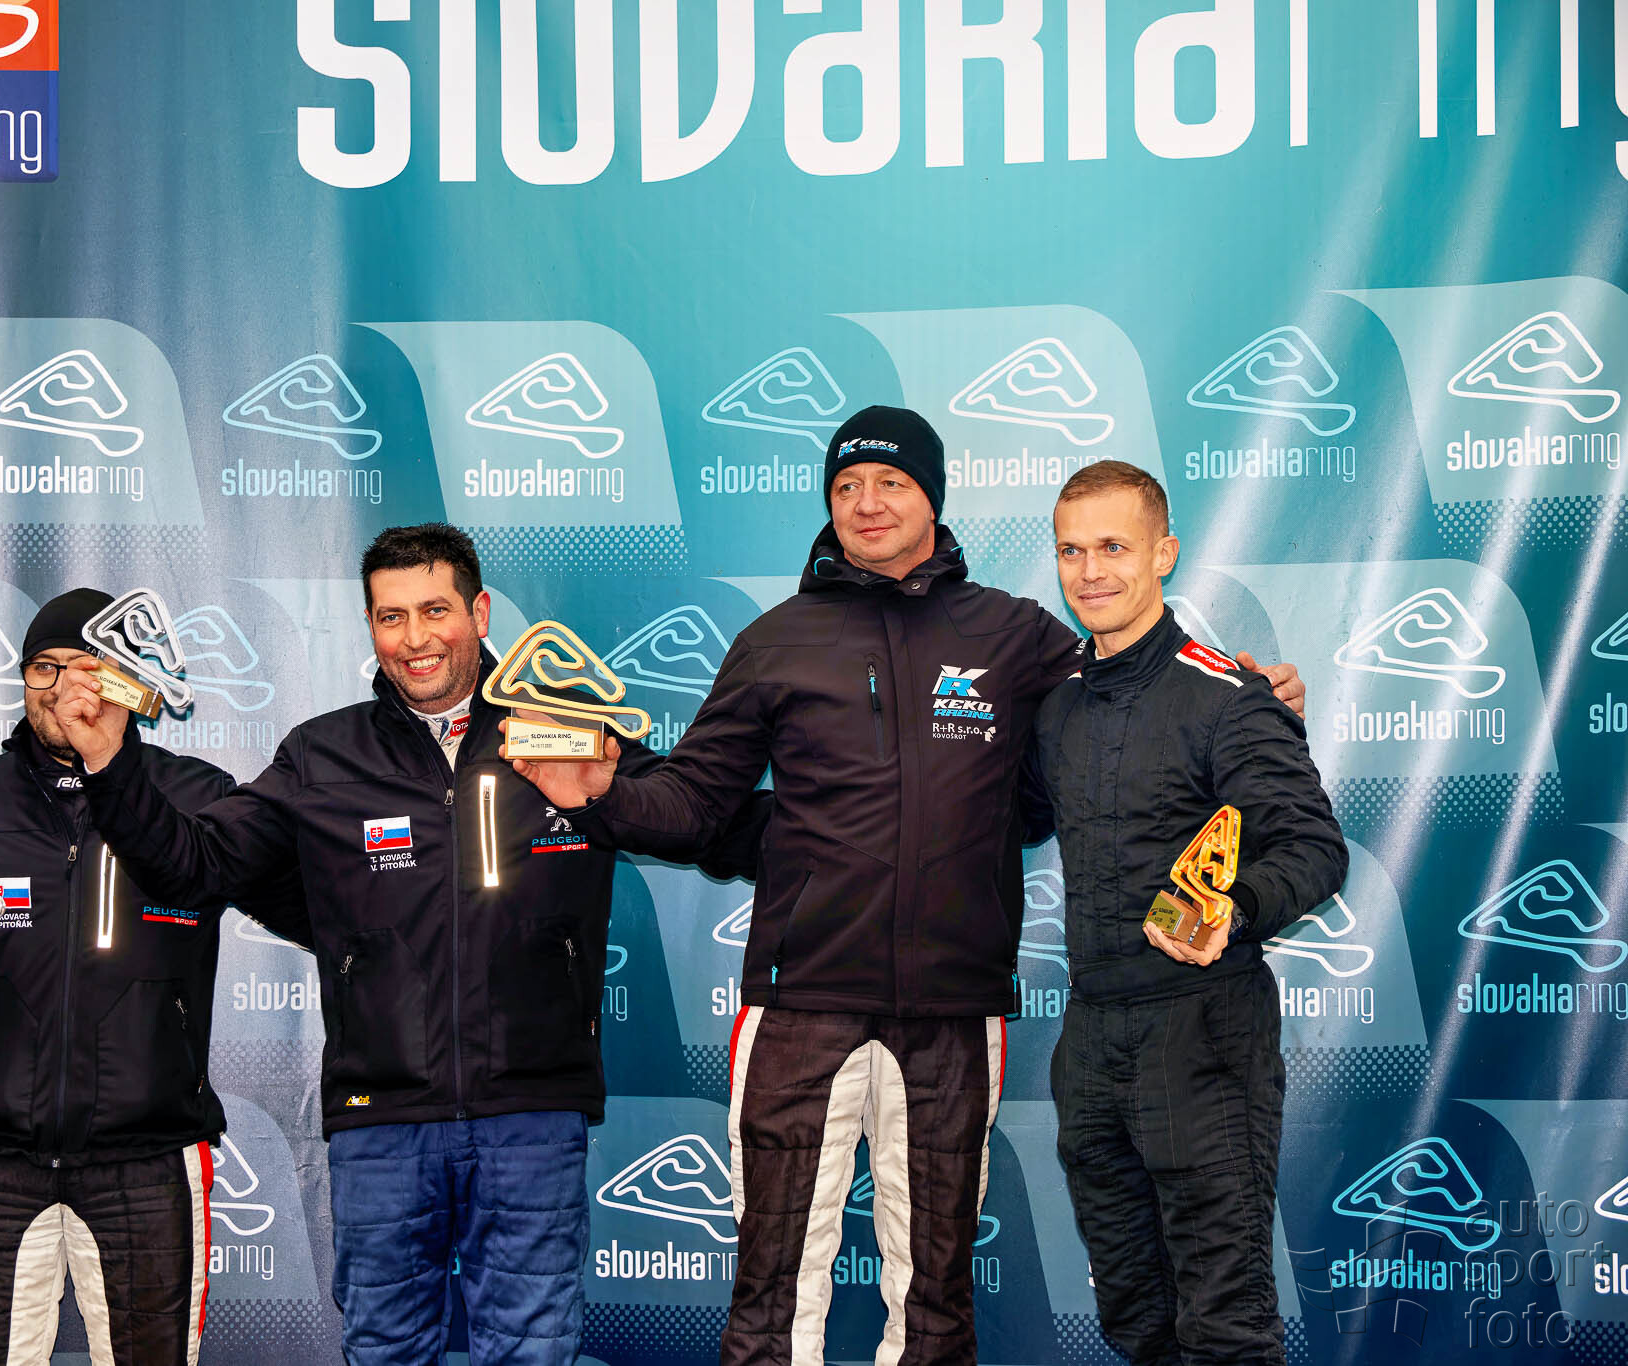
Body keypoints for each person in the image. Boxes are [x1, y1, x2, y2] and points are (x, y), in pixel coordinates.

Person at [510, 407, 1304, 1366]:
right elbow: (695, 802)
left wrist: (1247, 691)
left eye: (891, 482)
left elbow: (1129, 687)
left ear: (932, 496)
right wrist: (602, 793)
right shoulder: (775, 641)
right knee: (771, 1294)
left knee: (934, 1303)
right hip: (800, 1004)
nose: (867, 502)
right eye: (846, 487)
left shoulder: (1015, 635)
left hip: (953, 1012)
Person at [53, 524, 767, 1366]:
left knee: (533, 1351)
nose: (416, 638)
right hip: (381, 1121)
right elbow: (193, 865)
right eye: (391, 617)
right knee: (387, 1349)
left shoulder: (564, 729)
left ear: (480, 612)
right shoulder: (321, 755)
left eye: (435, 610)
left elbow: (695, 822)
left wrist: (606, 793)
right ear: (370, 626)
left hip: (532, 1113)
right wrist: (111, 762)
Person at [0, 587, 308, 1366]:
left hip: (147, 1160)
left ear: (124, 679)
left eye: (85, 668)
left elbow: (307, 905)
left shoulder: (196, 795)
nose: (62, 688)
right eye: (44, 667)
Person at [1027, 461, 1346, 1365]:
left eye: (1114, 547)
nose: (1091, 571)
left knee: (1224, 1322)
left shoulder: (1227, 695)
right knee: (1136, 1317)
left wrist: (1232, 910)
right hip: (1091, 1042)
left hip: (1203, 1037)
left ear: (1163, 553)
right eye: (1072, 551)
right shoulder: (1054, 707)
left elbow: (1315, 848)